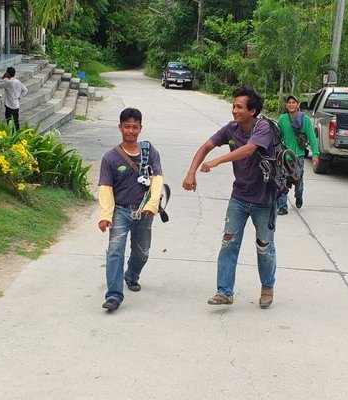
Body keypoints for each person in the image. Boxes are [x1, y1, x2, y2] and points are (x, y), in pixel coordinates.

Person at [182, 86, 278, 309]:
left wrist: (217, 161)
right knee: (228, 243)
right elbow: (206, 145)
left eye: (239, 107)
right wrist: (191, 172)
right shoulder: (231, 128)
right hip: (239, 197)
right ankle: (224, 291)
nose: (234, 111)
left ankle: (267, 287)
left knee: (264, 246)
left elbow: (249, 149)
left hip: (264, 199)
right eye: (233, 106)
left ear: (252, 111)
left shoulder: (263, 127)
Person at [98, 107, 164, 312]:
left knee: (142, 252)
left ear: (140, 128)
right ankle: (114, 295)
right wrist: (105, 215)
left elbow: (157, 179)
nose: (131, 131)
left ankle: (131, 275)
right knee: (115, 252)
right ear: (120, 127)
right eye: (127, 126)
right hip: (120, 211)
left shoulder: (150, 152)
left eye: (135, 127)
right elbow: (105, 188)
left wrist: (152, 205)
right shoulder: (110, 158)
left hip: (144, 211)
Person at [276, 95, 320, 214]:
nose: (291, 104)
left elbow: (311, 137)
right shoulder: (282, 119)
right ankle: (282, 207)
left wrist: (315, 154)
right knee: (282, 180)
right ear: (286, 105)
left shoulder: (304, 119)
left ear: (298, 104)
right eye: (289, 102)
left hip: (298, 156)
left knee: (298, 180)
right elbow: (277, 136)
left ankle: (298, 195)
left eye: (293, 102)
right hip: (284, 155)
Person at [0, 66, 28, 131]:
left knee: (9, 122)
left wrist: (2, 77)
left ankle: (11, 136)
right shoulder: (17, 81)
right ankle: (17, 135)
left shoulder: (9, 82)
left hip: (9, 106)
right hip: (16, 105)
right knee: (16, 122)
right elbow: (25, 90)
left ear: (8, 74)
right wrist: (19, 97)